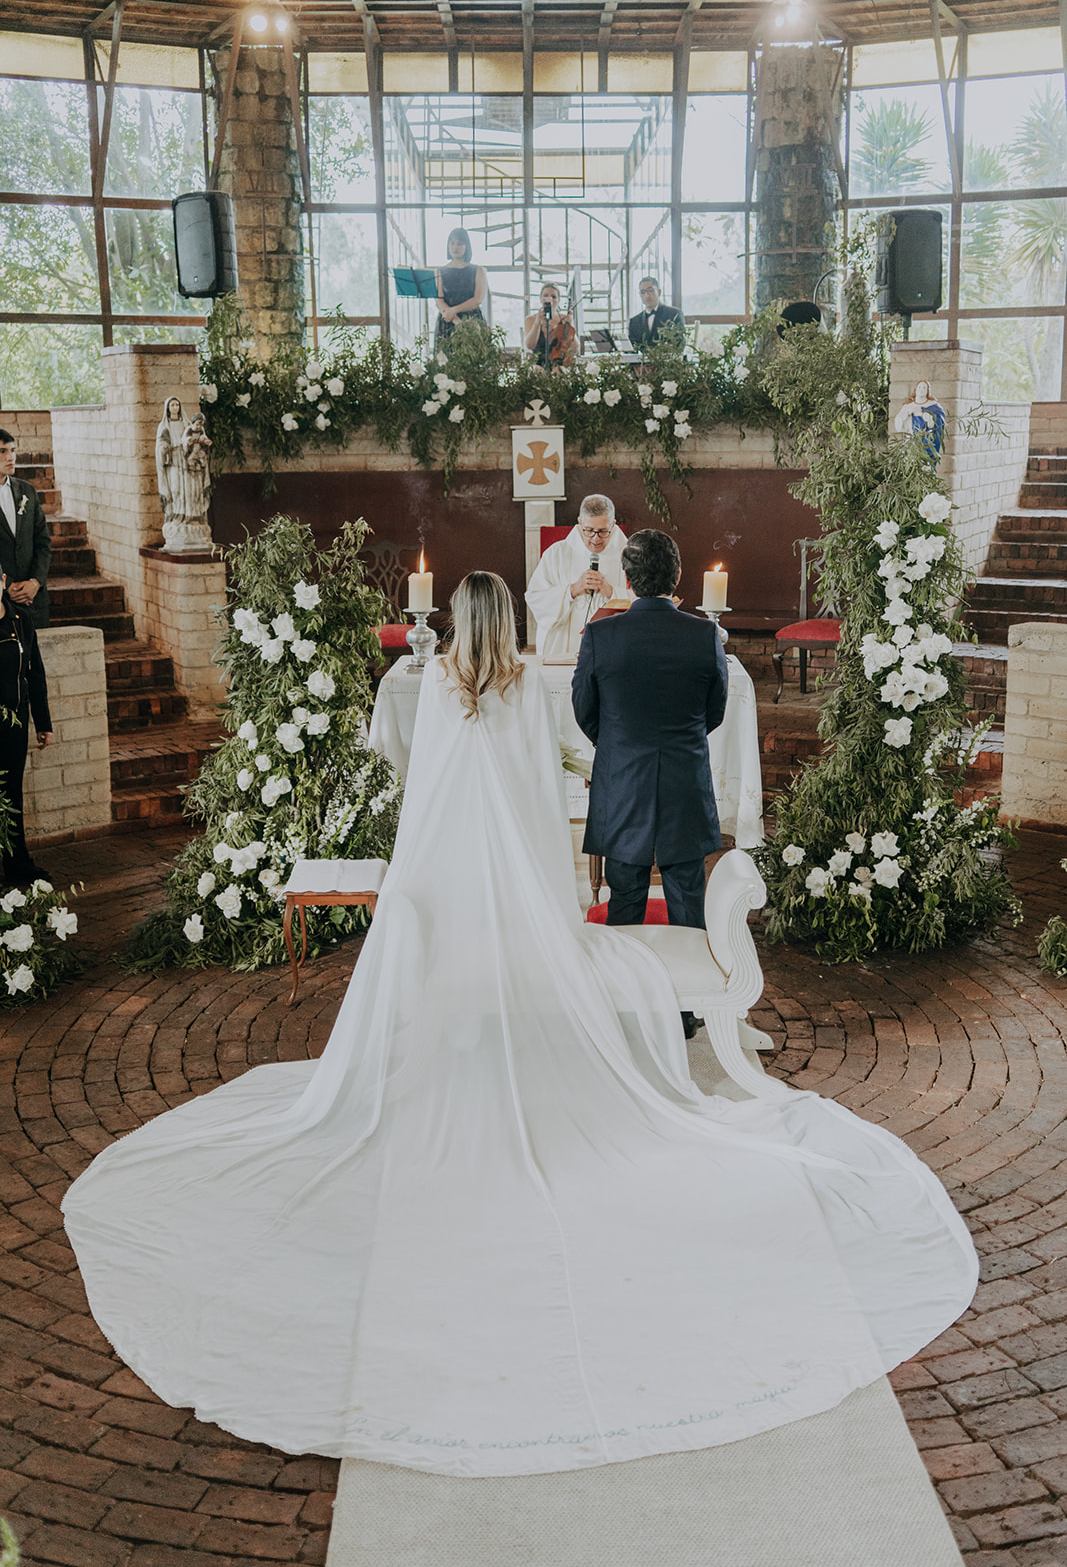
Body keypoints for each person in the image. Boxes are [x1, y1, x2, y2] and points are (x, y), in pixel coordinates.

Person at [62, 570, 977, 1478]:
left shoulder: (435, 689)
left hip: (451, 890)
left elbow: (424, 801)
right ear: (506, 619)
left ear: (455, 621)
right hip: (514, 891)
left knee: (451, 994)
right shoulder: (522, 689)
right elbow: (541, 802)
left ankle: (458, 1048)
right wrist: (553, 900)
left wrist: (421, 892)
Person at [573, 529, 728, 934]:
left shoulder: (600, 635)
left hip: (623, 781)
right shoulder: (705, 635)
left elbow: (584, 709)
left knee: (624, 901)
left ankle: (625, 975)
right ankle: (691, 976)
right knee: (688, 902)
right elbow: (715, 710)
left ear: (626, 578)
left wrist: (618, 741)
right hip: (684, 779)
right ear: (677, 575)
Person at [524, 494, 629, 659]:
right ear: (580, 522)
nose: (595, 539)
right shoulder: (557, 554)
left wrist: (612, 592)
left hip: (613, 652)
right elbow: (535, 598)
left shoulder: (630, 556)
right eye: (589, 531)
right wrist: (571, 591)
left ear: (613, 525)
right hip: (565, 652)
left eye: (602, 531)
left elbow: (645, 600)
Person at [0, 570, 53, 884]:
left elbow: (35, 673)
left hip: (14, 724)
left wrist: (43, 723)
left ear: (3, 580)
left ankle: (17, 865)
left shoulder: (20, 619)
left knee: (11, 795)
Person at [0, 427, 51, 629]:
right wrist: (6, 586)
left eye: (13, 450)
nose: (10, 457)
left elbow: (43, 543)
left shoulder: (27, 491)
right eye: (2, 451)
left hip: (33, 600)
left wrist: (35, 582)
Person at [434, 227, 488, 345]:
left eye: (460, 243)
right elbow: (439, 300)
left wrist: (454, 311)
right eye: (452, 243)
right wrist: (455, 319)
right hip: (447, 321)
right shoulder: (439, 271)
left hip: (472, 321)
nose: (455, 247)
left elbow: (477, 299)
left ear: (467, 246)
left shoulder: (478, 270)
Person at [523, 282, 578, 370]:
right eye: (546, 296)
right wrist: (537, 323)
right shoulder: (531, 319)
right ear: (541, 298)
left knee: (559, 370)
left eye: (553, 297)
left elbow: (575, 348)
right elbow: (529, 345)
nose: (550, 300)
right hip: (538, 363)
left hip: (560, 363)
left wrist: (570, 327)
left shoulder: (565, 319)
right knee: (537, 370)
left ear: (558, 300)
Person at [894, 378, 946, 461]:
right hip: (911, 442)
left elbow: (939, 419)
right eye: (919, 387)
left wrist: (927, 416)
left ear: (928, 391)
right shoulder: (908, 406)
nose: (921, 389)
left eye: (924, 387)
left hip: (926, 443)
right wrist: (906, 414)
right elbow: (898, 424)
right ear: (916, 389)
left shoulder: (933, 406)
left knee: (925, 465)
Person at [628, 276, 686, 351]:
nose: (647, 295)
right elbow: (633, 349)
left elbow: (680, 343)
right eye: (643, 292)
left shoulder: (674, 314)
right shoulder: (634, 322)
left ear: (659, 292)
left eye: (650, 290)